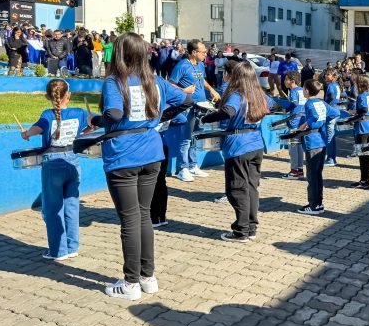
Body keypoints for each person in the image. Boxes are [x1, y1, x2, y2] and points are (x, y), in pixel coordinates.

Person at [94, 33, 192, 300]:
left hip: (123, 156)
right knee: (144, 214)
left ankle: (130, 284)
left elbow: (114, 114)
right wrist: (159, 117)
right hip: (152, 153)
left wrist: (97, 119)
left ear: (120, 54)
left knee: (129, 218)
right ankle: (148, 278)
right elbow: (187, 100)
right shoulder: (155, 80)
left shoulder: (115, 81)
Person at [20, 79, 92, 260]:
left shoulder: (47, 114)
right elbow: (95, 122)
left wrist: (27, 133)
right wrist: (86, 131)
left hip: (52, 164)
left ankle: (58, 251)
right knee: (72, 206)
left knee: (53, 208)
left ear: (48, 96)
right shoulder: (79, 112)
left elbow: (37, 128)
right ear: (69, 95)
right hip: (73, 162)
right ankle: (72, 247)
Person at [200, 61, 271, 241]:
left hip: (239, 145)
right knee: (251, 187)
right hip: (256, 144)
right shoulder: (259, 93)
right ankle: (251, 227)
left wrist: (206, 118)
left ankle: (241, 230)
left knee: (237, 189)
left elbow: (228, 111)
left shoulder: (237, 94)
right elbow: (272, 105)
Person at [169, 39, 221, 183]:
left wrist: (211, 90)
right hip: (187, 107)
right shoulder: (182, 66)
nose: (206, 54)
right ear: (193, 52)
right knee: (185, 138)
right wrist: (183, 90)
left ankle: (193, 166)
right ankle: (182, 169)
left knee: (194, 136)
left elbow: (201, 79)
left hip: (200, 107)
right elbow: (170, 84)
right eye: (203, 52)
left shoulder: (200, 65)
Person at [296, 79, 340, 215]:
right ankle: (318, 203)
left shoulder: (309, 103)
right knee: (317, 174)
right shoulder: (322, 102)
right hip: (322, 141)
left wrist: (305, 125)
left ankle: (314, 205)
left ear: (307, 91)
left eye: (303, 88)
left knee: (312, 175)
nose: (302, 90)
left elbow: (314, 117)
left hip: (313, 142)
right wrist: (324, 121)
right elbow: (335, 113)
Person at [282, 71, 307, 180]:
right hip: (303, 121)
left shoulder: (292, 91)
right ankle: (300, 170)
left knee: (293, 147)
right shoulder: (302, 90)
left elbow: (294, 104)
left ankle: (294, 171)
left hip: (295, 122)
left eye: (286, 79)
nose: (284, 81)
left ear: (292, 81)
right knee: (299, 146)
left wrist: (286, 108)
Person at [323, 68, 341, 166]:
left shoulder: (331, 85)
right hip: (336, 110)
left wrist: (325, 103)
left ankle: (330, 159)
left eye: (328, 74)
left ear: (334, 76)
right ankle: (332, 158)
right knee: (332, 136)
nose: (326, 76)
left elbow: (332, 97)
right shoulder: (336, 85)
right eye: (326, 74)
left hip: (331, 111)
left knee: (329, 137)